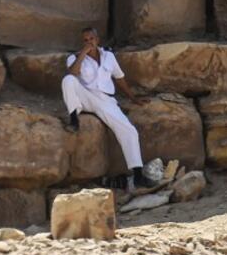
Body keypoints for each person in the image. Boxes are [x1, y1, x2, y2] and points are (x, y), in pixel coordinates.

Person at [61, 27, 160, 190]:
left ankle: (137, 175)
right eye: (85, 40)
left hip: (106, 100)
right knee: (68, 81)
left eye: (91, 39)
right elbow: (72, 73)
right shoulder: (74, 57)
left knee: (129, 130)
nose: (89, 42)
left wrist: (132, 97)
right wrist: (83, 54)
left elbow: (119, 78)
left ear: (97, 39)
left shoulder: (109, 56)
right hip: (86, 95)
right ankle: (73, 119)